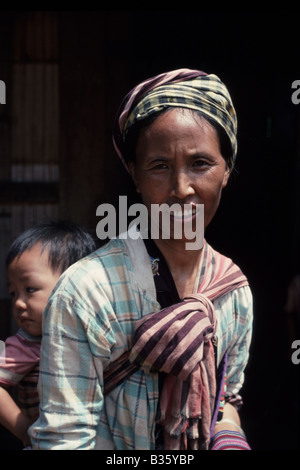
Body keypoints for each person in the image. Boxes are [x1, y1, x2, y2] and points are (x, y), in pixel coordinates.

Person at [29, 69, 253, 450]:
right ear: (134, 174)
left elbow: (225, 401)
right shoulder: (87, 292)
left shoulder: (234, 293)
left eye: (200, 163)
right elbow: (63, 440)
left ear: (227, 170)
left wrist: (230, 436)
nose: (181, 189)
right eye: (159, 166)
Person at [0, 221, 96, 446]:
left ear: (73, 285)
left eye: (30, 289)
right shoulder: (27, 344)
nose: (18, 303)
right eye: (13, 292)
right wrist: (25, 429)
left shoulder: (96, 334)